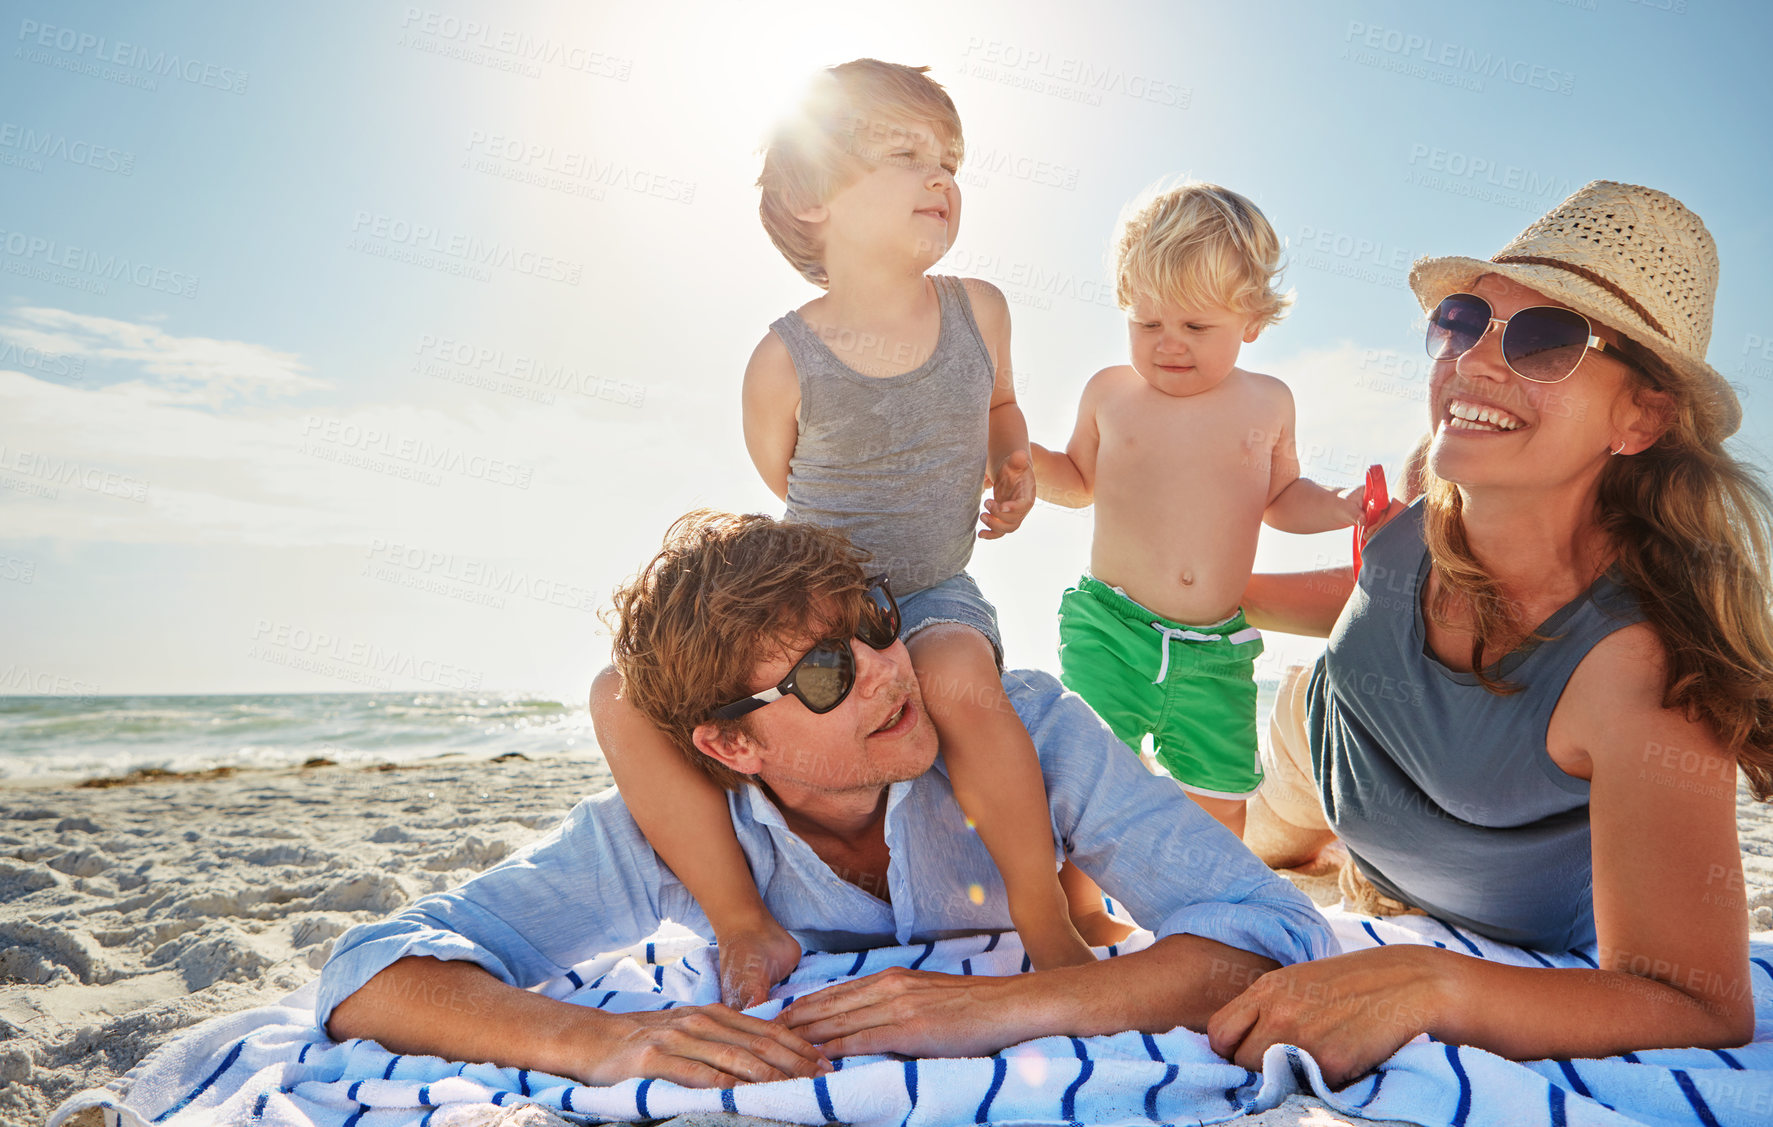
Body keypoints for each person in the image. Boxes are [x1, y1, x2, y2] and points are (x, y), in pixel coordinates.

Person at [317, 511, 1338, 1089]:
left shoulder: (1024, 732)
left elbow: (1274, 928)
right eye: (819, 674)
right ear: (729, 740)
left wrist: (998, 1004)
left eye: (874, 624)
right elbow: (370, 972)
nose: (887, 670)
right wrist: (608, 1039)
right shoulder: (672, 833)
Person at [595, 60, 1127, 1008]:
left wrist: (1009, 466)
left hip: (930, 585)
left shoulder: (979, 310)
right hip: (812, 607)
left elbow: (1001, 407)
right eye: (905, 153)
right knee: (619, 695)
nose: (941, 178)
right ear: (812, 198)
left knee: (963, 678)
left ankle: (1044, 917)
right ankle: (740, 917)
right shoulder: (783, 356)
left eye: (951, 161)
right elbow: (782, 475)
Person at [1215, 181, 1770, 1085]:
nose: (1471, 360)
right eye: (1463, 319)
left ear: (1642, 416)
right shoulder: (1414, 516)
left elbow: (1698, 1002)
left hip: (1425, 887)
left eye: (1544, 339)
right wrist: (1205, 599)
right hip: (1303, 748)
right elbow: (1366, 597)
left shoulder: (1642, 674)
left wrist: (1433, 980)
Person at [1031, 181, 1363, 836]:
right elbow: (1075, 479)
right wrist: (1016, 457)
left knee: (1217, 797)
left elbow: (1279, 498)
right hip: (1111, 627)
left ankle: (1208, 913)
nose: (1168, 343)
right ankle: (1076, 917)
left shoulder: (1267, 403)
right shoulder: (1111, 394)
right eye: (1147, 323)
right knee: (1079, 778)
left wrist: (1337, 507)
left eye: (1194, 326)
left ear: (1251, 321)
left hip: (1216, 646)